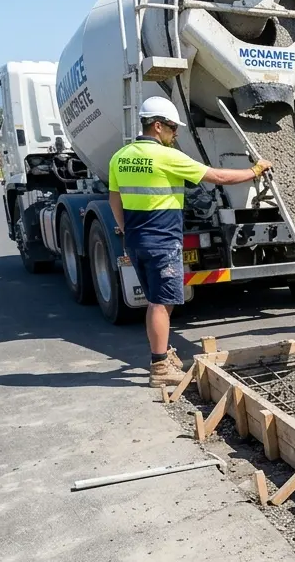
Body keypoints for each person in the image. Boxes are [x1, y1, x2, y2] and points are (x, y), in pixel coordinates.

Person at [108, 96, 271, 387]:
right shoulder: (167, 157)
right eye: (172, 127)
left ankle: (162, 354)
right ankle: (160, 367)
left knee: (156, 302)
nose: (175, 133)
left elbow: (114, 199)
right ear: (157, 126)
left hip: (136, 240)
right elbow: (217, 176)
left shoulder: (120, 156)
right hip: (162, 240)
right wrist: (254, 171)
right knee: (161, 303)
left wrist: (125, 230)